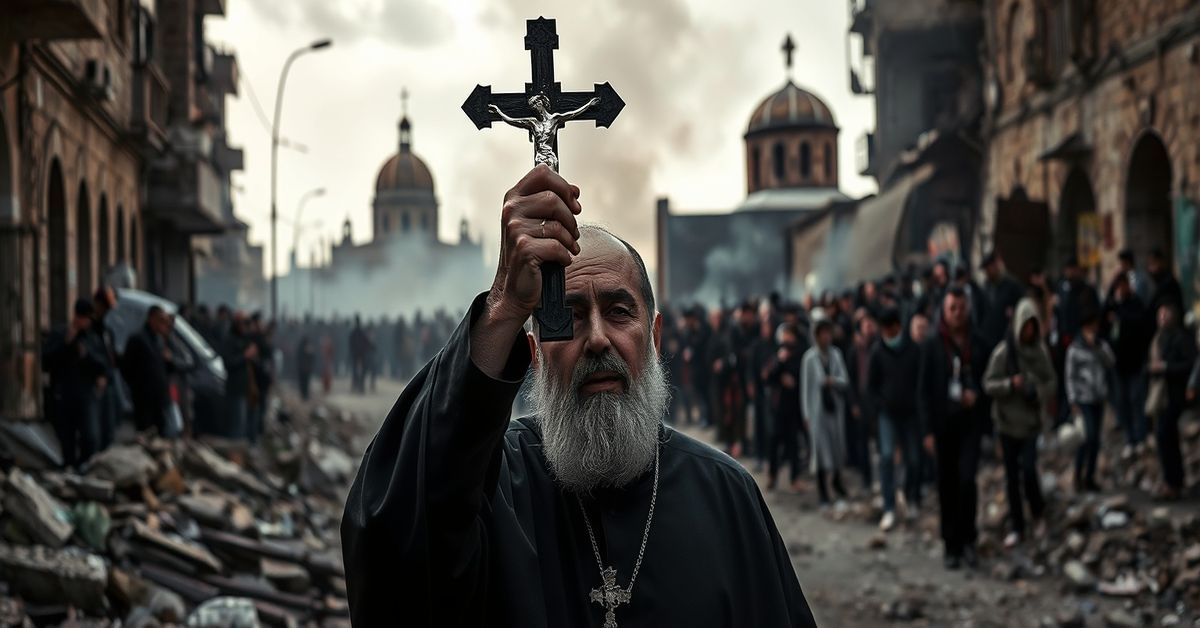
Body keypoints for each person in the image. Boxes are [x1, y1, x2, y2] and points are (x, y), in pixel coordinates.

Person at [341, 166, 816, 627]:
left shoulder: (726, 496)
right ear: (533, 351)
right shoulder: (492, 487)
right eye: (565, 316)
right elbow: (394, 550)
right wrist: (504, 305)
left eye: (618, 311)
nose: (596, 339)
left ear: (654, 338)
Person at [917, 287, 988, 570]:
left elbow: (989, 383)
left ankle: (969, 540)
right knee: (947, 485)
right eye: (952, 309)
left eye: (961, 307)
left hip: (970, 426)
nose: (957, 314)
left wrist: (978, 396)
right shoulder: (934, 345)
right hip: (942, 425)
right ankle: (951, 545)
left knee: (967, 481)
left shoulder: (979, 344)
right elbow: (922, 391)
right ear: (944, 312)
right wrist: (926, 432)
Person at [983, 298, 1056, 547]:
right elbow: (989, 384)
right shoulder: (1004, 353)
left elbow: (1051, 383)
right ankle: (1017, 525)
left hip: (1030, 424)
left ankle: (1037, 515)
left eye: (1032, 326)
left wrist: (1035, 389)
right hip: (1006, 424)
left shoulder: (1040, 353)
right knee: (1011, 478)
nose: (1028, 332)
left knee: (1029, 471)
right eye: (1025, 326)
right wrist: (1009, 385)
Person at [868, 307, 922, 531]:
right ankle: (889, 507)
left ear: (897, 327)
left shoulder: (914, 350)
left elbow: (921, 381)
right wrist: (881, 405)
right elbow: (871, 387)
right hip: (887, 414)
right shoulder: (878, 352)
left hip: (910, 414)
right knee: (887, 458)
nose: (887, 334)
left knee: (914, 459)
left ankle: (911, 499)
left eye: (890, 329)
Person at [43, 299, 108, 469]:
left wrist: (86, 355)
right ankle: (69, 468)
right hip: (64, 393)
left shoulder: (92, 337)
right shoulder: (61, 333)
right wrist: (66, 343)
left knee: (90, 436)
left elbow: (103, 363)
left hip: (86, 394)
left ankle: (85, 466)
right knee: (67, 437)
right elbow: (46, 360)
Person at [1146, 303, 1197, 500]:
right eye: (1160, 315)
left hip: (1174, 395)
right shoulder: (1158, 339)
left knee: (1165, 436)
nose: (1162, 319)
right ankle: (1173, 480)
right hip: (1161, 396)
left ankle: (1173, 482)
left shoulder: (1180, 338)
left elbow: (1190, 364)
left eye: (1165, 315)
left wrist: (1166, 367)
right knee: (1165, 438)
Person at [1065, 309, 1115, 493]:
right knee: (1087, 437)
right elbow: (1069, 376)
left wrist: (1098, 347)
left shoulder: (1101, 344)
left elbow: (1110, 362)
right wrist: (1073, 400)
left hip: (1098, 397)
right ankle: (1078, 475)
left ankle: (1090, 477)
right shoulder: (1074, 349)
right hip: (1083, 398)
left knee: (1095, 441)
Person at [801, 318, 849, 507]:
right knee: (820, 451)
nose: (826, 337)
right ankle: (822, 491)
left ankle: (837, 481)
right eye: (823, 333)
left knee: (837, 447)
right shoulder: (809, 359)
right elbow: (805, 389)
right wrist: (805, 414)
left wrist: (833, 381)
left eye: (829, 333)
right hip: (816, 412)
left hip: (834, 410)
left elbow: (845, 380)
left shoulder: (836, 355)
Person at [1104, 273, 1151, 453]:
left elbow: (1140, 325)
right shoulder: (1113, 305)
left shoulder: (1135, 304)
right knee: (1122, 403)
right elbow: (1103, 324)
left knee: (1136, 400)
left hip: (1135, 362)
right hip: (1118, 364)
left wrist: (1120, 315)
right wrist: (1113, 301)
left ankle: (1141, 437)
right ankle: (1130, 439)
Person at [120, 306, 175, 434]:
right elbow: (126, 368)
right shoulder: (138, 339)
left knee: (163, 434)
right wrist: (137, 387)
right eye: (161, 320)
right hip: (144, 399)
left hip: (160, 399)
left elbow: (168, 369)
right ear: (151, 319)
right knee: (146, 433)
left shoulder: (161, 340)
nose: (164, 324)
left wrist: (169, 360)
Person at [765, 323, 804, 491]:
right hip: (778, 406)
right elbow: (768, 377)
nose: (787, 339)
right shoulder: (777, 354)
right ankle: (772, 476)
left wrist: (792, 381)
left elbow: (801, 376)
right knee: (774, 441)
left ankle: (794, 479)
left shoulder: (800, 354)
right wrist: (780, 363)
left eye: (790, 335)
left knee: (793, 444)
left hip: (794, 405)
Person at [91, 286, 121, 451]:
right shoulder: (90, 330)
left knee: (110, 424)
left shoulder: (106, 331)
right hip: (95, 384)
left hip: (109, 380)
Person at [296, 335, 315, 400]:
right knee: (303, 383)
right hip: (303, 369)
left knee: (305, 383)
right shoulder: (301, 348)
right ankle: (304, 395)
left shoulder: (308, 348)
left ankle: (305, 395)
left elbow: (312, 358)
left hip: (306, 369)